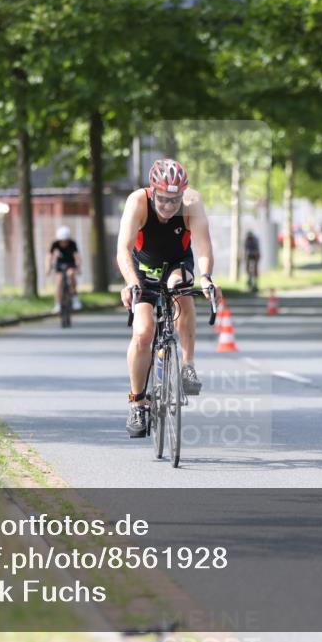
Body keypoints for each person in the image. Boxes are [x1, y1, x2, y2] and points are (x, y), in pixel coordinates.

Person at [117, 158, 219, 438]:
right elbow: (123, 249)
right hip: (142, 268)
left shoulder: (192, 202)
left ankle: (188, 365)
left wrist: (207, 278)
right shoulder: (137, 201)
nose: (168, 206)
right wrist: (131, 283)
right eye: (162, 199)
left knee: (182, 289)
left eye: (175, 200)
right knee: (143, 333)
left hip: (177, 263)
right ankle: (137, 403)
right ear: (152, 191)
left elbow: (203, 246)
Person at [46, 225, 81, 313]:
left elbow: (77, 257)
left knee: (71, 274)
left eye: (65, 241)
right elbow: (49, 256)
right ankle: (57, 304)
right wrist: (48, 267)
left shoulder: (72, 244)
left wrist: (78, 267)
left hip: (70, 263)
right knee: (59, 282)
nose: (64, 243)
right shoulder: (55, 244)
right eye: (62, 241)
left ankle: (75, 298)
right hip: (60, 264)